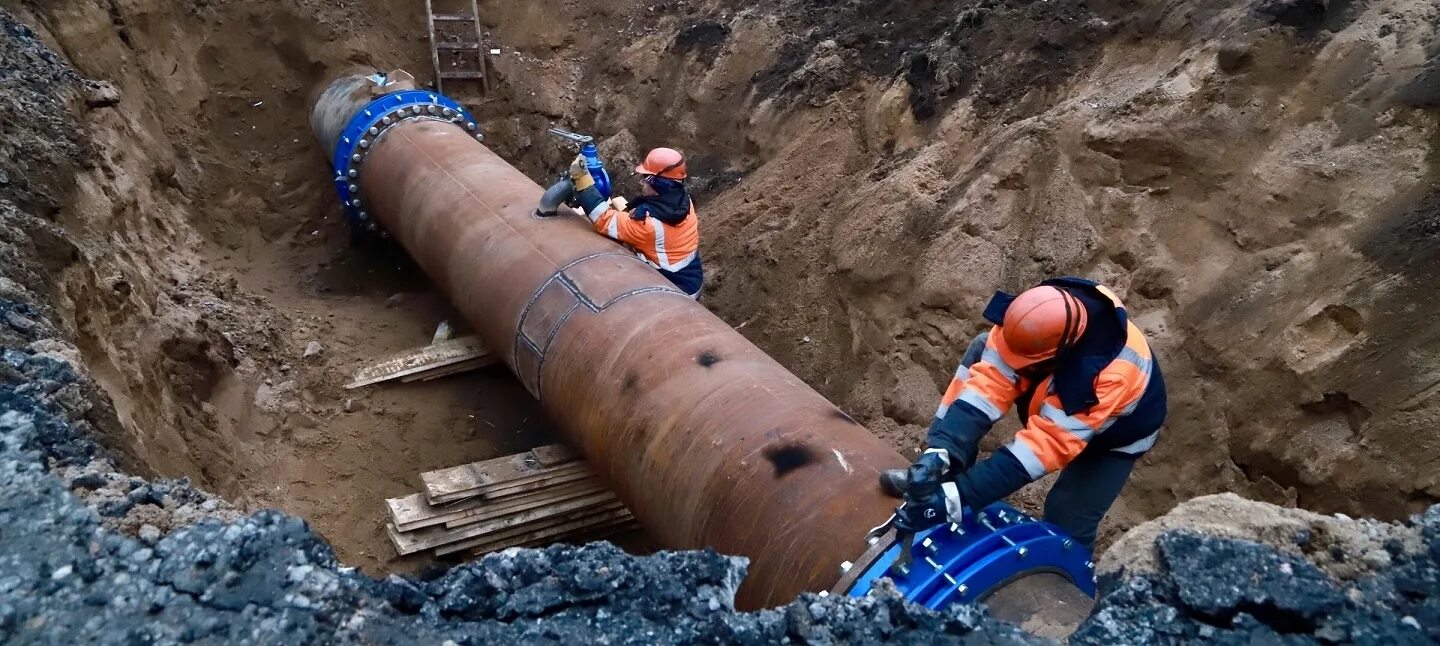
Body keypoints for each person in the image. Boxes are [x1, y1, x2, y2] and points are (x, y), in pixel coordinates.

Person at [882, 277, 1167, 549]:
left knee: (1067, 516)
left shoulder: (1105, 378)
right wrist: (940, 452)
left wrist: (957, 500)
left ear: (1056, 356)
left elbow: (1040, 449)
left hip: (1115, 434)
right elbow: (984, 389)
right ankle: (939, 477)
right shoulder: (1032, 315)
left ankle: (1069, 591)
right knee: (981, 349)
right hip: (1064, 388)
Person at [568, 148, 702, 298]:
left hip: (675, 294)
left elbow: (604, 220)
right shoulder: (684, 201)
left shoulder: (649, 226)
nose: (643, 182)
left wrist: (582, 180)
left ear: (658, 185)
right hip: (692, 281)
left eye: (646, 178)